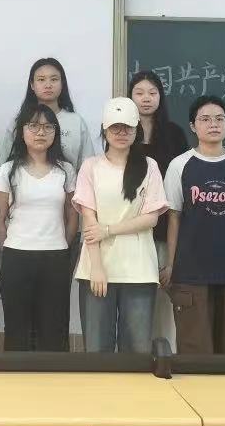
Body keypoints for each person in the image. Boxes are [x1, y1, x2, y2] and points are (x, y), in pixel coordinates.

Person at [163, 95, 225, 355]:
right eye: (205, 119)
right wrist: (171, 264)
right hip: (191, 270)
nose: (213, 124)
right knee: (194, 349)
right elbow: (174, 217)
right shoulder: (179, 165)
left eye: (220, 119)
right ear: (193, 126)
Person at [72, 98, 167, 353]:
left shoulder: (149, 166)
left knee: (137, 350)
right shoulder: (91, 166)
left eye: (127, 127)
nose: (121, 132)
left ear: (137, 130)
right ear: (104, 129)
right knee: (97, 349)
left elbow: (151, 218)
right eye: (115, 127)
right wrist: (96, 267)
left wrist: (108, 230)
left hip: (139, 269)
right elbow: (89, 221)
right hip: (96, 270)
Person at [0, 104, 76, 351]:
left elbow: (72, 216)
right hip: (16, 257)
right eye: (33, 126)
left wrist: (63, 245)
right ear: (22, 131)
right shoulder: (8, 170)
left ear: (55, 133)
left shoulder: (66, 170)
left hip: (55, 258)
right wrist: (8, 248)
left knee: (53, 328)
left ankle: (52, 375)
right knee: (16, 328)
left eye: (48, 127)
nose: (41, 132)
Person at [129, 70, 189, 349]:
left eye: (152, 93)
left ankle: (165, 353)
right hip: (130, 227)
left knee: (164, 296)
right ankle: (135, 354)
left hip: (165, 227)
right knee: (134, 297)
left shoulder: (174, 133)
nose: (146, 99)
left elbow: (183, 182)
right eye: (139, 93)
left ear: (160, 97)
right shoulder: (122, 131)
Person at [0, 58, 96, 172]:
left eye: (54, 79)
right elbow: (5, 166)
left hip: (70, 182)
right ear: (32, 85)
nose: (48, 85)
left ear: (62, 84)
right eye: (41, 79)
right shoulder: (19, 121)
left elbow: (88, 168)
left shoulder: (76, 122)